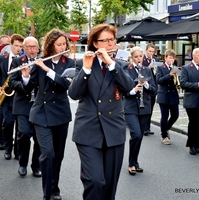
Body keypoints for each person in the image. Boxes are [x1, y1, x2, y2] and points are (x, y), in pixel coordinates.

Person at [68, 24, 134, 200]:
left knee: (110, 185)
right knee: (95, 180)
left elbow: (128, 87)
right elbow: (73, 94)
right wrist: (86, 70)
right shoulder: (83, 64)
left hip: (113, 130)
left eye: (112, 39)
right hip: (88, 130)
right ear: (95, 44)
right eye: (105, 41)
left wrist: (111, 64)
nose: (110, 44)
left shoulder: (120, 65)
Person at [22, 29, 74, 200]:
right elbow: (29, 88)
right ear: (50, 45)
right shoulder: (40, 61)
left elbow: (65, 85)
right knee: (48, 154)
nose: (62, 47)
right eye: (58, 44)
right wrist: (26, 77)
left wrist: (46, 69)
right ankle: (47, 194)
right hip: (41, 114)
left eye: (64, 44)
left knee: (58, 156)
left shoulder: (69, 63)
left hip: (60, 113)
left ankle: (54, 188)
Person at [9, 36, 41, 178]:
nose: (32, 50)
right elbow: (12, 82)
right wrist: (25, 81)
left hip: (39, 106)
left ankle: (36, 165)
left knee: (40, 138)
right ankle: (22, 164)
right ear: (24, 48)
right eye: (29, 47)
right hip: (23, 104)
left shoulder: (42, 62)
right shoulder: (17, 61)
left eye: (35, 47)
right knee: (24, 134)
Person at [123, 46, 156, 175]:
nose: (138, 59)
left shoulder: (147, 70)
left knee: (140, 136)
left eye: (140, 56)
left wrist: (146, 84)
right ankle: (131, 163)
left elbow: (154, 90)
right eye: (136, 57)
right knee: (135, 134)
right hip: (131, 106)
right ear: (132, 58)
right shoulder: (127, 70)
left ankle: (135, 161)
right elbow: (123, 89)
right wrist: (133, 90)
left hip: (144, 107)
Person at [0, 34, 24, 160]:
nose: (18, 49)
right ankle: (7, 147)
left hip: (19, 96)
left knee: (20, 127)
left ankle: (17, 150)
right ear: (11, 45)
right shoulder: (2, 58)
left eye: (21, 47)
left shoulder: (23, 60)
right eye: (16, 46)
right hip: (6, 97)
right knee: (8, 123)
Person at [156, 49, 179, 145]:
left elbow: (178, 81)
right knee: (164, 116)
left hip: (173, 94)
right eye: (170, 58)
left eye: (173, 58)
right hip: (164, 95)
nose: (171, 60)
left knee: (175, 115)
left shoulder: (175, 68)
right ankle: (163, 136)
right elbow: (159, 80)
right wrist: (169, 75)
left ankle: (166, 128)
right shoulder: (160, 68)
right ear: (165, 58)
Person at [142, 43, 159, 135]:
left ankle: (148, 127)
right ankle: (144, 127)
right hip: (145, 85)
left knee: (151, 107)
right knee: (145, 107)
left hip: (153, 85)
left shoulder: (156, 59)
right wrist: (149, 67)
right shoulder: (142, 59)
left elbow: (158, 73)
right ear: (146, 50)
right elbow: (141, 71)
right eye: (149, 51)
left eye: (153, 52)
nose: (151, 53)